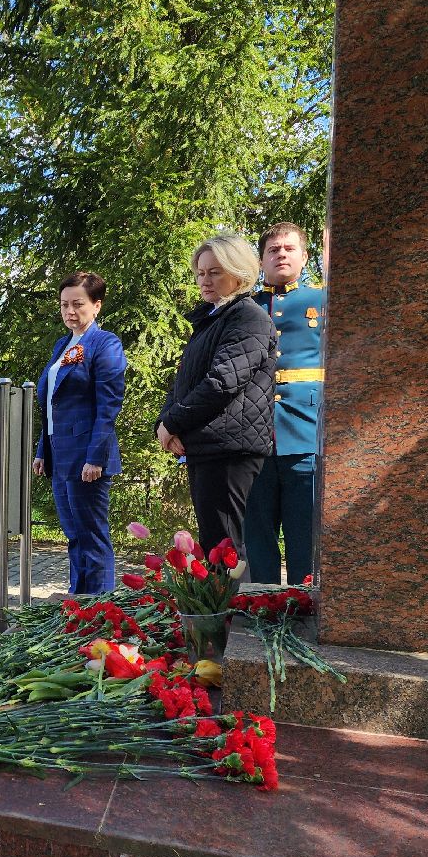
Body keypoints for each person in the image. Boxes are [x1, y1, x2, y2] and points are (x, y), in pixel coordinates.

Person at [156, 235, 276, 553]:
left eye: (215, 272)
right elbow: (184, 381)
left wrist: (173, 422)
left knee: (225, 547)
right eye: (200, 272)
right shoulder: (211, 319)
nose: (204, 280)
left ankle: (228, 604)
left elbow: (222, 382)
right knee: (216, 545)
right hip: (209, 445)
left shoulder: (248, 317)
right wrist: (166, 423)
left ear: (237, 273)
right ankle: (218, 603)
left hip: (229, 449)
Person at [33, 271, 127, 594]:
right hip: (61, 457)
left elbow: (108, 406)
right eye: (64, 305)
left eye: (78, 304)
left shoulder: (105, 344)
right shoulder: (63, 344)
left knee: (92, 534)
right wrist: (41, 450)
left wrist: (96, 458)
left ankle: (100, 606)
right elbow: (51, 401)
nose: (70, 312)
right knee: (74, 533)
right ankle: (79, 600)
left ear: (96, 306)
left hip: (88, 458)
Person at [245, 223, 325, 586]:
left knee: (303, 533)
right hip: (254, 436)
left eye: (289, 249)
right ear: (262, 260)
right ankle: (263, 604)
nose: (281, 254)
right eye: (273, 250)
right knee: (257, 532)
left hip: (305, 432)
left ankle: (303, 601)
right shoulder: (244, 307)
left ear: (304, 257)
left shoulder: (323, 302)